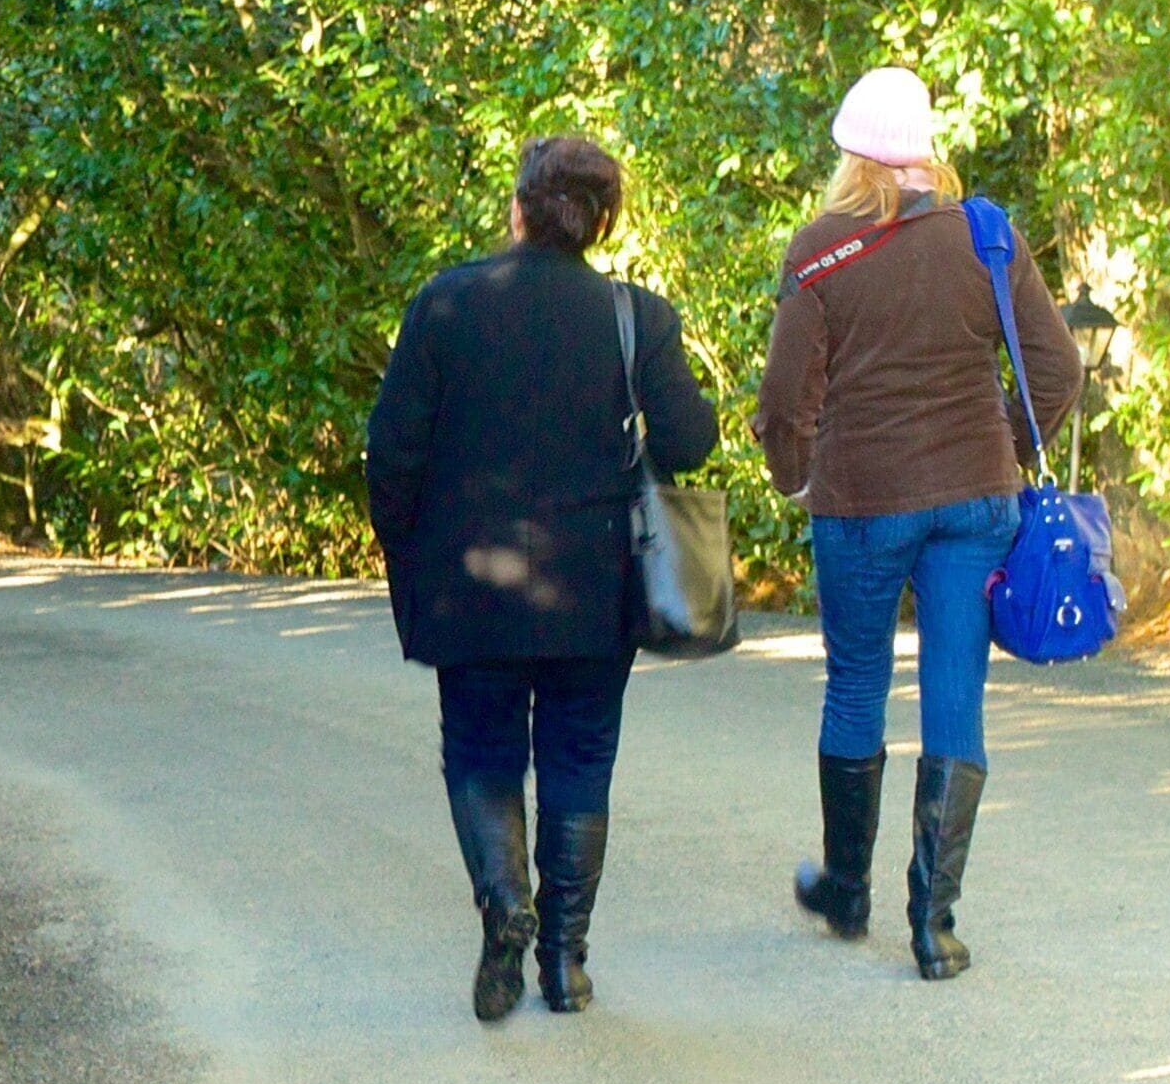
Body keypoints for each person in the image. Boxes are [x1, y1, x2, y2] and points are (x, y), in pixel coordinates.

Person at [363, 136, 718, 1024]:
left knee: (481, 752)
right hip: (594, 588)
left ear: (518, 210)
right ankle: (565, 964)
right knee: (580, 759)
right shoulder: (636, 316)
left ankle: (502, 905)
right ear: (602, 223)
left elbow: (390, 454)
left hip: (470, 586)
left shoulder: (446, 303)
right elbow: (690, 444)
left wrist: (408, 558)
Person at [756, 67, 1080, 981]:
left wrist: (791, 477)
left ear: (854, 155)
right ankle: (934, 929)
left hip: (859, 500)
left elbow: (786, 399)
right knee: (955, 698)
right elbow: (1057, 373)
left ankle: (848, 892)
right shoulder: (986, 236)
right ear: (927, 150)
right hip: (975, 501)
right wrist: (1004, 452)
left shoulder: (819, 248)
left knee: (857, 687)